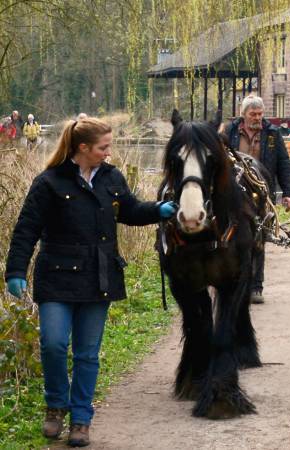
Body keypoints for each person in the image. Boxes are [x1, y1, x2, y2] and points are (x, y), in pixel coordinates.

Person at [4, 117, 176, 447]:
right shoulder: (49, 182)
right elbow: (26, 229)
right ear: (83, 148)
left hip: (100, 276)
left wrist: (159, 210)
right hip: (56, 276)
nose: (108, 153)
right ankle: (56, 405)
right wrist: (15, 272)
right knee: (53, 344)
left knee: (87, 354)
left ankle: (81, 419)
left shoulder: (111, 178)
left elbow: (129, 211)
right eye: (103, 147)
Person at [223, 95, 290, 304]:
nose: (257, 118)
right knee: (232, 236)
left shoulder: (272, 134)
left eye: (260, 114)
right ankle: (233, 283)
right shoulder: (230, 131)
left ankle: (256, 287)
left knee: (259, 238)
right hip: (234, 191)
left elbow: (283, 163)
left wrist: (288, 194)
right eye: (253, 114)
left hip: (262, 193)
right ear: (243, 114)